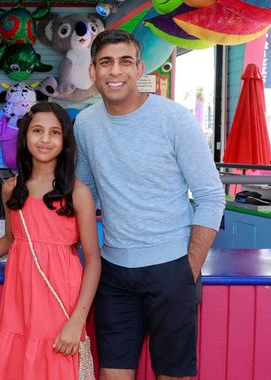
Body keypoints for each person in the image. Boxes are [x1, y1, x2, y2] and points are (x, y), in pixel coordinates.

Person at [75, 29, 225, 380]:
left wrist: (188, 269)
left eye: (125, 62)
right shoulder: (85, 124)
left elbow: (210, 196)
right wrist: (25, 201)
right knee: (111, 375)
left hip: (171, 268)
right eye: (106, 63)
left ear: (139, 69)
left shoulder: (174, 119)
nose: (116, 72)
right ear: (92, 71)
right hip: (113, 272)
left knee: (173, 375)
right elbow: (85, 195)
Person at [0, 101, 101, 379]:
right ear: (25, 136)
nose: (45, 139)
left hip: (60, 300)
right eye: (37, 130)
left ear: (65, 139)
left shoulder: (78, 194)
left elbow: (93, 261)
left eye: (55, 133)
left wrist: (76, 321)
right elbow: (11, 239)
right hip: (19, 300)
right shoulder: (11, 189)